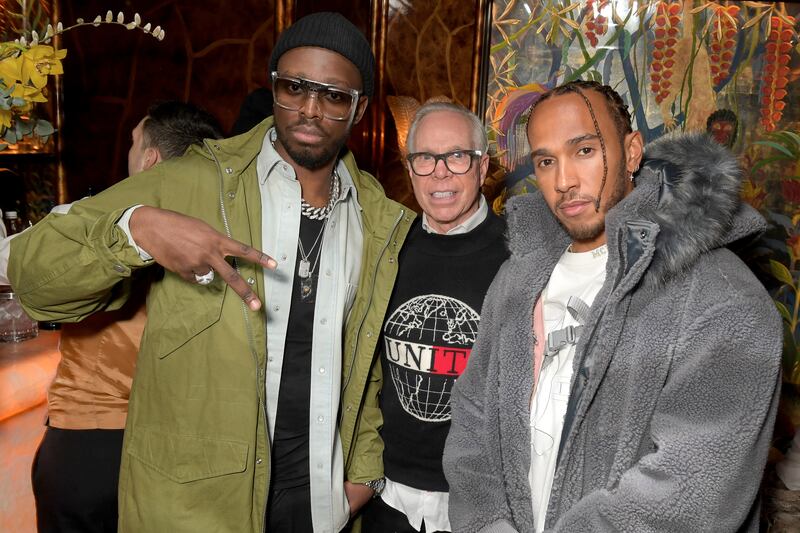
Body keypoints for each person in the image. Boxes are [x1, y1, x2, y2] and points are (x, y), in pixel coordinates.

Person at [9, 12, 415, 533]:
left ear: (358, 110)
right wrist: (137, 230)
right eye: (295, 87)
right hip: (197, 511)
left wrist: (360, 479)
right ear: (274, 90)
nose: (310, 109)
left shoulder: (378, 219)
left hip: (320, 507)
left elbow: (368, 365)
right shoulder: (190, 182)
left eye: (333, 95)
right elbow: (36, 280)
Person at [443, 80, 782, 532]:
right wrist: (487, 523)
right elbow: (472, 417)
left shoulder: (720, 294)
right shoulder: (516, 280)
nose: (564, 181)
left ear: (633, 151)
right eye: (546, 161)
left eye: (584, 150)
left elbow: (692, 491)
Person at [27, 101, 224, 533]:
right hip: (180, 451)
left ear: (150, 157)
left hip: (91, 440)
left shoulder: (94, 222)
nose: (130, 153)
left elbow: (22, 271)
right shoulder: (221, 237)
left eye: (134, 143)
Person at [360, 103, 508, 533]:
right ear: (410, 170)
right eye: (425, 158)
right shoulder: (385, 251)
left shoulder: (521, 257)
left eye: (456, 156)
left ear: (482, 168)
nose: (439, 173)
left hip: (480, 504)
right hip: (385, 496)